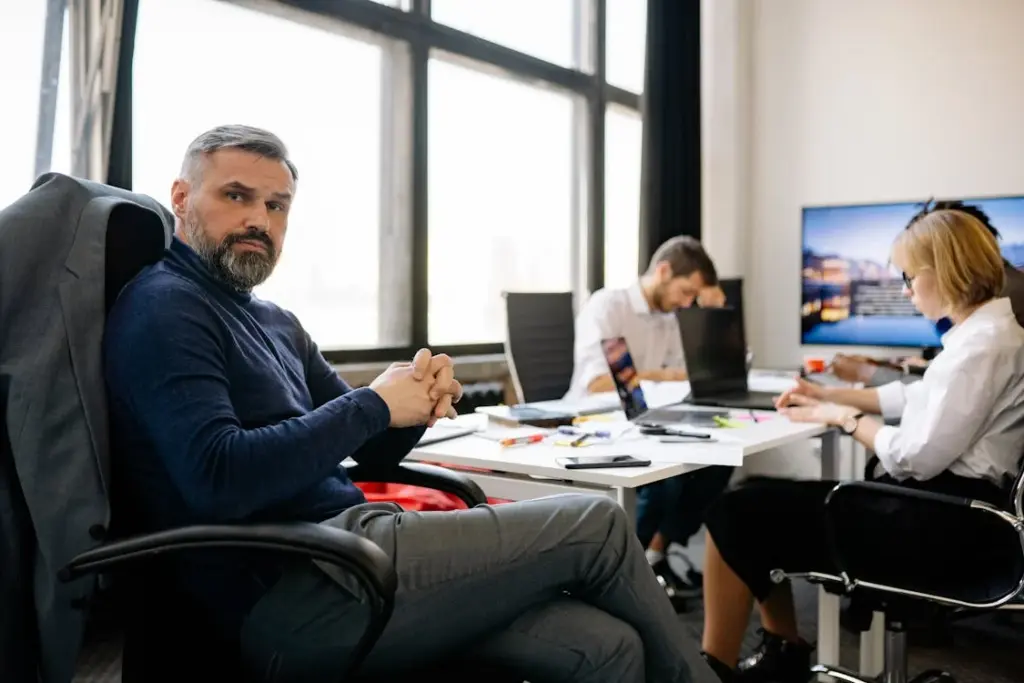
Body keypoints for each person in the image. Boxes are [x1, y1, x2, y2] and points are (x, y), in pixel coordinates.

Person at [103, 124, 713, 683]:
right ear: (181, 198)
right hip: (290, 585)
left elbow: (366, 442)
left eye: (276, 205)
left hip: (355, 551)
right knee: (598, 522)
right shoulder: (166, 306)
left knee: (608, 647)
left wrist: (413, 405)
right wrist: (373, 403)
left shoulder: (274, 321)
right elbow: (217, 476)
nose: (259, 219)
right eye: (236, 196)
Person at [698, 208, 1024, 682]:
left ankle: (720, 671)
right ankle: (784, 649)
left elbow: (914, 455)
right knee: (762, 507)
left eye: (910, 277)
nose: (906, 289)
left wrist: (844, 418)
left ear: (943, 272)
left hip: (941, 527)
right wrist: (825, 395)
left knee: (735, 513)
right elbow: (916, 396)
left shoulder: (981, 346)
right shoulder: (991, 334)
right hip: (960, 514)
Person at [566, 236, 736, 607]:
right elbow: (600, 382)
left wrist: (711, 316)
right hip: (597, 421)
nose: (686, 302)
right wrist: (668, 375)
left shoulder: (674, 317)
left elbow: (695, 373)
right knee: (668, 475)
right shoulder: (609, 306)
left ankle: (653, 555)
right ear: (662, 272)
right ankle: (619, 569)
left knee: (721, 460)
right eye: (685, 291)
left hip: (648, 420)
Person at [830, 199, 1024, 387]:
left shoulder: (1005, 302)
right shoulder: (996, 296)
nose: (906, 290)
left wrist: (864, 378)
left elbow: (946, 394)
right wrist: (890, 365)